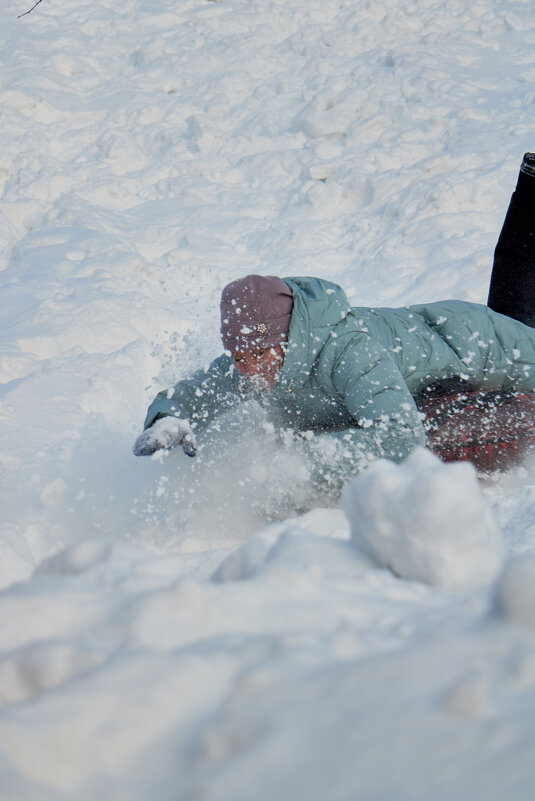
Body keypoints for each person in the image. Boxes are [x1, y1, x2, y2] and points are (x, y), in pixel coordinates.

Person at [133, 154, 535, 477]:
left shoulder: (347, 351)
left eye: (258, 355)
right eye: (240, 357)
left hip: (477, 345)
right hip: (445, 350)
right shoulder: (253, 360)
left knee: (513, 347)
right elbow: (198, 390)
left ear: (286, 337)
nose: (249, 368)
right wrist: (168, 418)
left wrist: (305, 461)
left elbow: (400, 436)